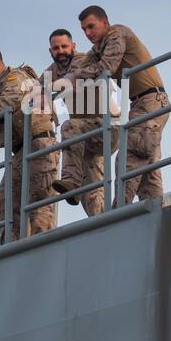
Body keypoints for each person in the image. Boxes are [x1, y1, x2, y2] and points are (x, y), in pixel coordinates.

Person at [60, 5, 169, 203]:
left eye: (91, 26)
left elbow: (106, 67)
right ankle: (157, 212)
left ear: (105, 23)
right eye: (84, 29)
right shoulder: (97, 49)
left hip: (151, 102)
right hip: (141, 104)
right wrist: (58, 84)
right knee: (147, 172)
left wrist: (76, 77)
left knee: (128, 159)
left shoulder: (118, 33)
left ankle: (119, 213)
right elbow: (80, 69)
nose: (88, 33)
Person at [0, 45, 58, 243]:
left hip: (39, 144)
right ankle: (11, 248)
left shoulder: (17, 78)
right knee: (4, 204)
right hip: (21, 151)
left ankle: (43, 249)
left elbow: (8, 102)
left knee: (38, 201)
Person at [44, 29, 117, 216]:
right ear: (50, 51)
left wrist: (48, 91)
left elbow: (70, 79)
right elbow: (35, 90)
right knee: (91, 194)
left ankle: (71, 182)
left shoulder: (83, 60)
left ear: (73, 46)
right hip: (84, 136)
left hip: (107, 126)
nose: (60, 51)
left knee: (70, 126)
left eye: (64, 46)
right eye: (56, 48)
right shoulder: (52, 71)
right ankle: (103, 223)